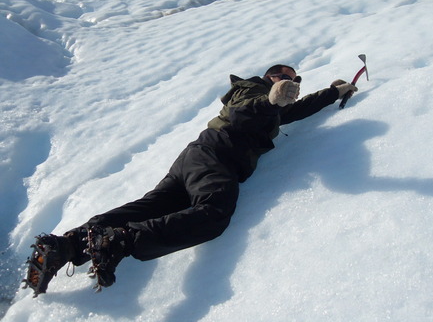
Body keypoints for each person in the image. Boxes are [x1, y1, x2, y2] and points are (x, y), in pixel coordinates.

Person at [23, 64, 358, 296]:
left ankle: (64, 246)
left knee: (147, 208)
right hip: (219, 154)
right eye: (284, 75)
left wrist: (332, 92)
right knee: (213, 214)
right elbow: (244, 111)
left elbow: (294, 109)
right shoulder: (253, 90)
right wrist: (269, 98)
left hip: (194, 158)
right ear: (270, 76)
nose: (291, 79)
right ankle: (120, 241)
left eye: (294, 77)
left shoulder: (274, 105)